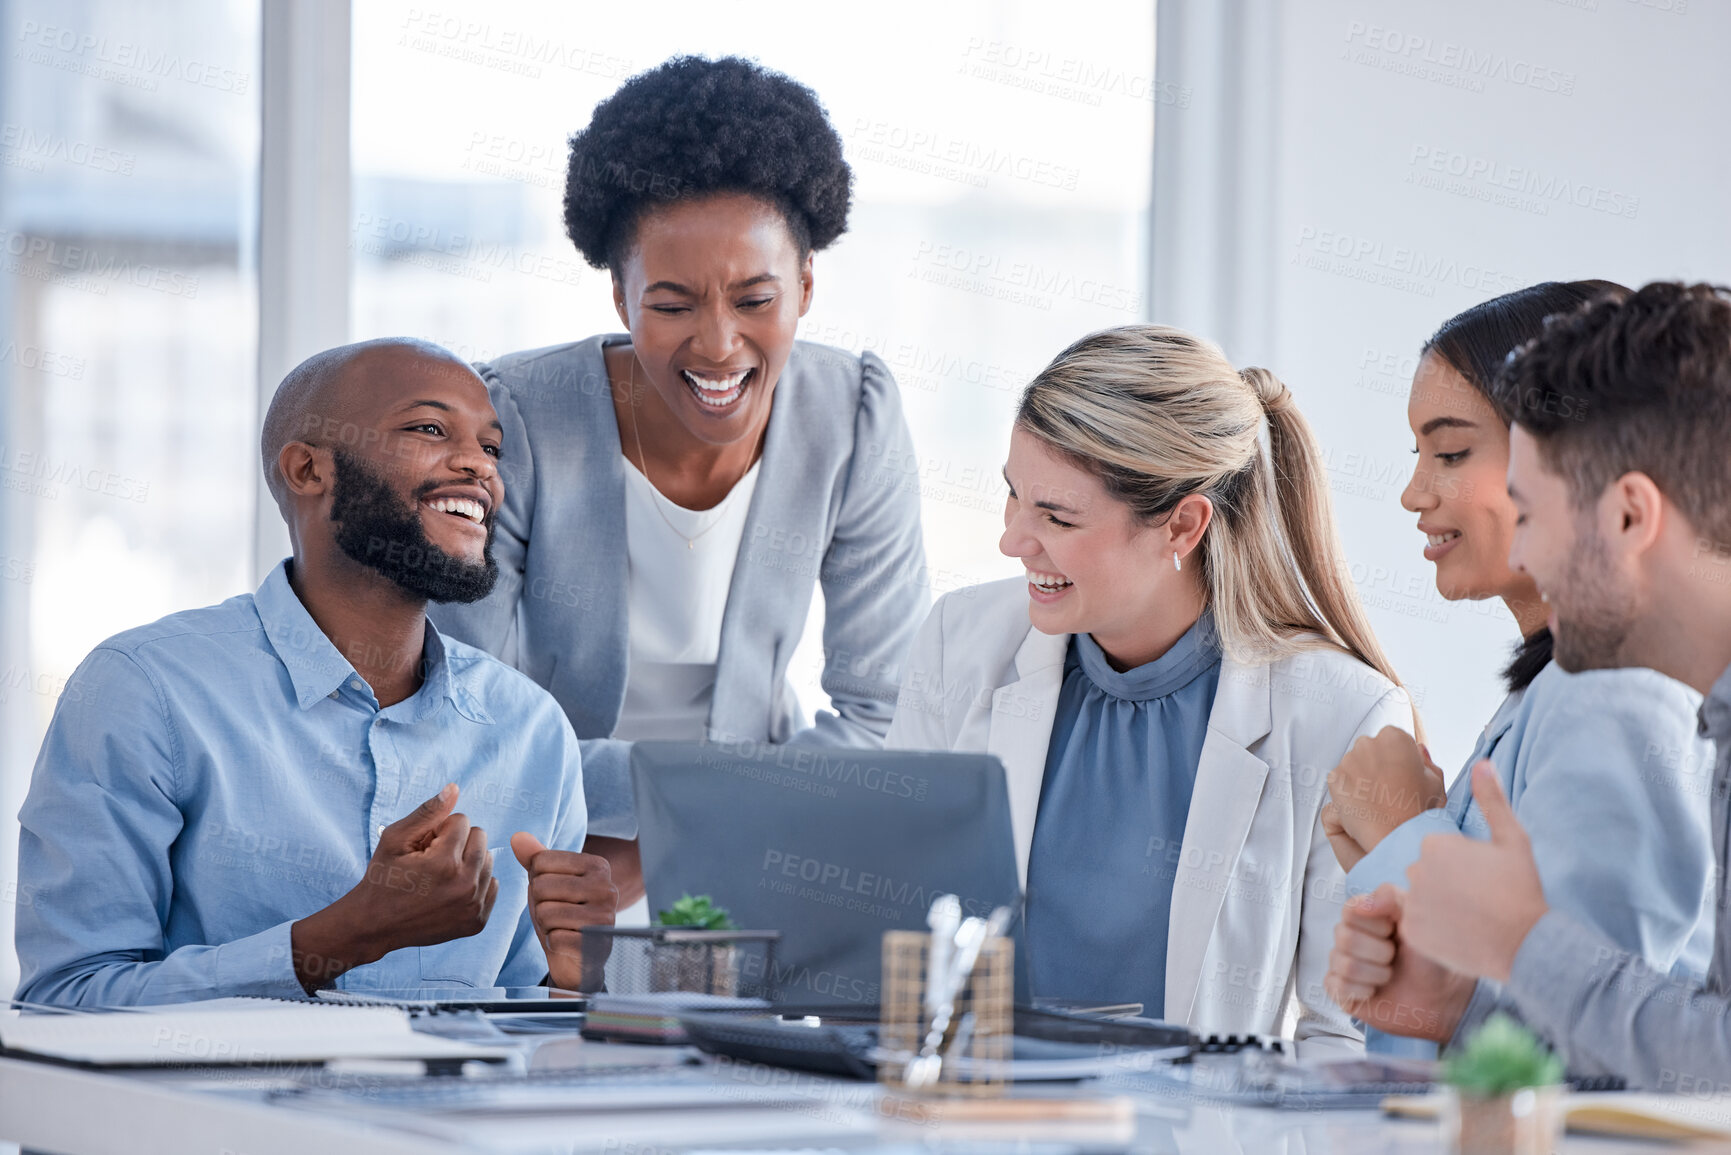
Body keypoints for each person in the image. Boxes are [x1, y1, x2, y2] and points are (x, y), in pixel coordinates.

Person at [429, 56, 928, 911]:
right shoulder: (516, 420)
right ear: (620, 299)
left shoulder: (853, 416)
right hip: (534, 845)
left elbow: (884, 714)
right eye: (671, 305)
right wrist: (645, 831)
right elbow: (469, 713)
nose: (718, 344)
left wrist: (665, 849)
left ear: (806, 287)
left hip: (765, 852)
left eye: (754, 298)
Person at [14, 339, 616, 1006]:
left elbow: (524, 1035)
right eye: (428, 428)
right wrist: (345, 935)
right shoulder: (144, 690)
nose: (479, 466)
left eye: (492, 447)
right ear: (306, 470)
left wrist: (574, 988)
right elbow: (66, 998)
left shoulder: (531, 730)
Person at [887, 324, 1416, 1052]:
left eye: (1057, 516)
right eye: (1013, 497)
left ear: (1182, 525)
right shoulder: (960, 642)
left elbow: (1341, 1037)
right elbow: (895, 934)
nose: (1013, 540)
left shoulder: (1340, 713)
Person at [1326, 282, 1731, 1089]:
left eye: (1530, 511)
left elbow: (1681, 1069)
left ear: (1626, 516)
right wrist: (1435, 997)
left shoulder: (1620, 699)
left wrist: (1501, 928)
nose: (1531, 560)